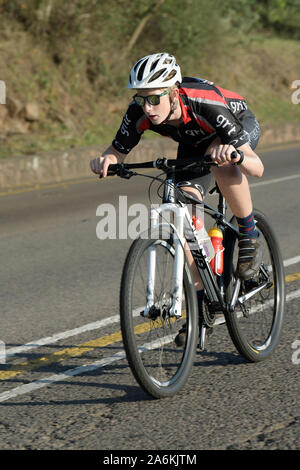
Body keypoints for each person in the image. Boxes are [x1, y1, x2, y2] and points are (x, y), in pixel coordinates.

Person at [90, 52, 264, 342]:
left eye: (154, 99)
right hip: (193, 141)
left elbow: (257, 168)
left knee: (220, 161)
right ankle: (201, 303)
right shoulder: (140, 112)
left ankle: (248, 234)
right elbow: (116, 150)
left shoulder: (204, 101)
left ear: (173, 92)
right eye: (140, 99)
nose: (147, 107)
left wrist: (235, 154)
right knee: (181, 211)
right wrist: (106, 160)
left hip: (234, 125)